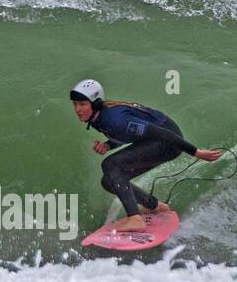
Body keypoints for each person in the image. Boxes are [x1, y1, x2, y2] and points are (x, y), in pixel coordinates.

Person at [70, 79, 224, 231]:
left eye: (82, 104)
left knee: (110, 165)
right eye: (75, 104)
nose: (77, 109)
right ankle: (156, 206)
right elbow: (126, 134)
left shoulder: (115, 119)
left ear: (95, 103)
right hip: (154, 141)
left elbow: (162, 133)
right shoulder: (99, 117)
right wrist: (108, 145)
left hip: (168, 142)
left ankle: (135, 219)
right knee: (109, 181)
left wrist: (196, 152)